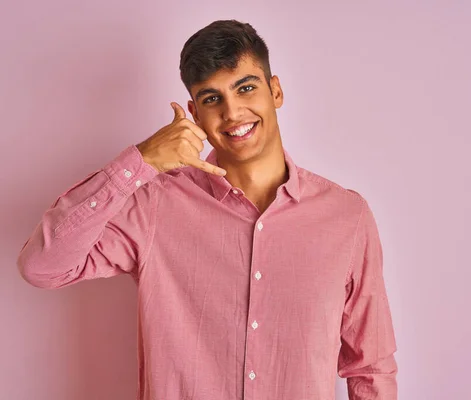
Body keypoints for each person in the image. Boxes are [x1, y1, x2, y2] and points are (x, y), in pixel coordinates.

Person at [17, 19, 398, 400]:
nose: (232, 113)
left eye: (245, 88)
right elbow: (43, 267)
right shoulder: (155, 205)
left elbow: (371, 367)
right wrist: (140, 161)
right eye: (212, 98)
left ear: (276, 90)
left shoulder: (346, 216)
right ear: (194, 112)